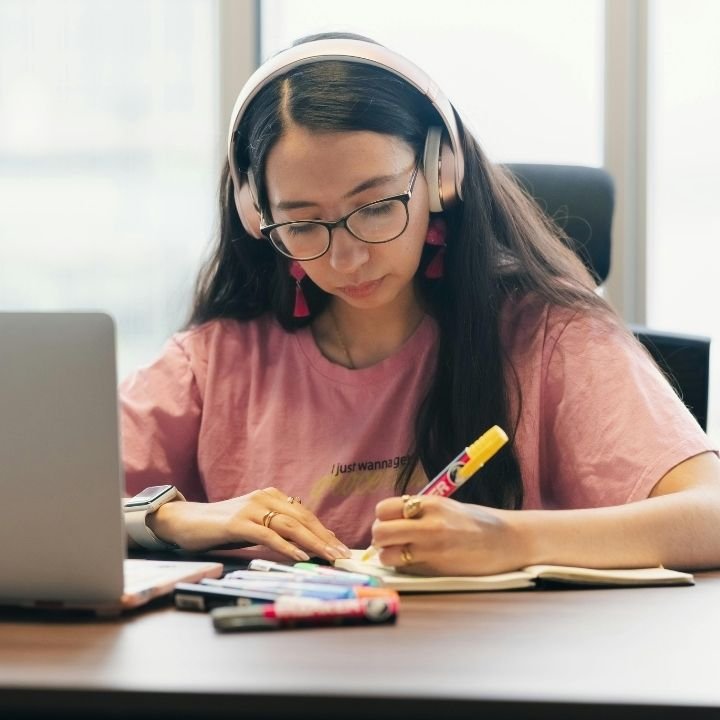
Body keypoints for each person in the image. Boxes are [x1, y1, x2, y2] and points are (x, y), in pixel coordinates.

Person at [120, 32, 720, 576]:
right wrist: (170, 519)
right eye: (303, 223)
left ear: (440, 175)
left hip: (490, 683)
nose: (348, 258)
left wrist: (514, 538)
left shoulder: (547, 336)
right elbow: (37, 498)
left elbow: (710, 513)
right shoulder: (217, 359)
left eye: (376, 206)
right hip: (282, 679)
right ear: (258, 216)